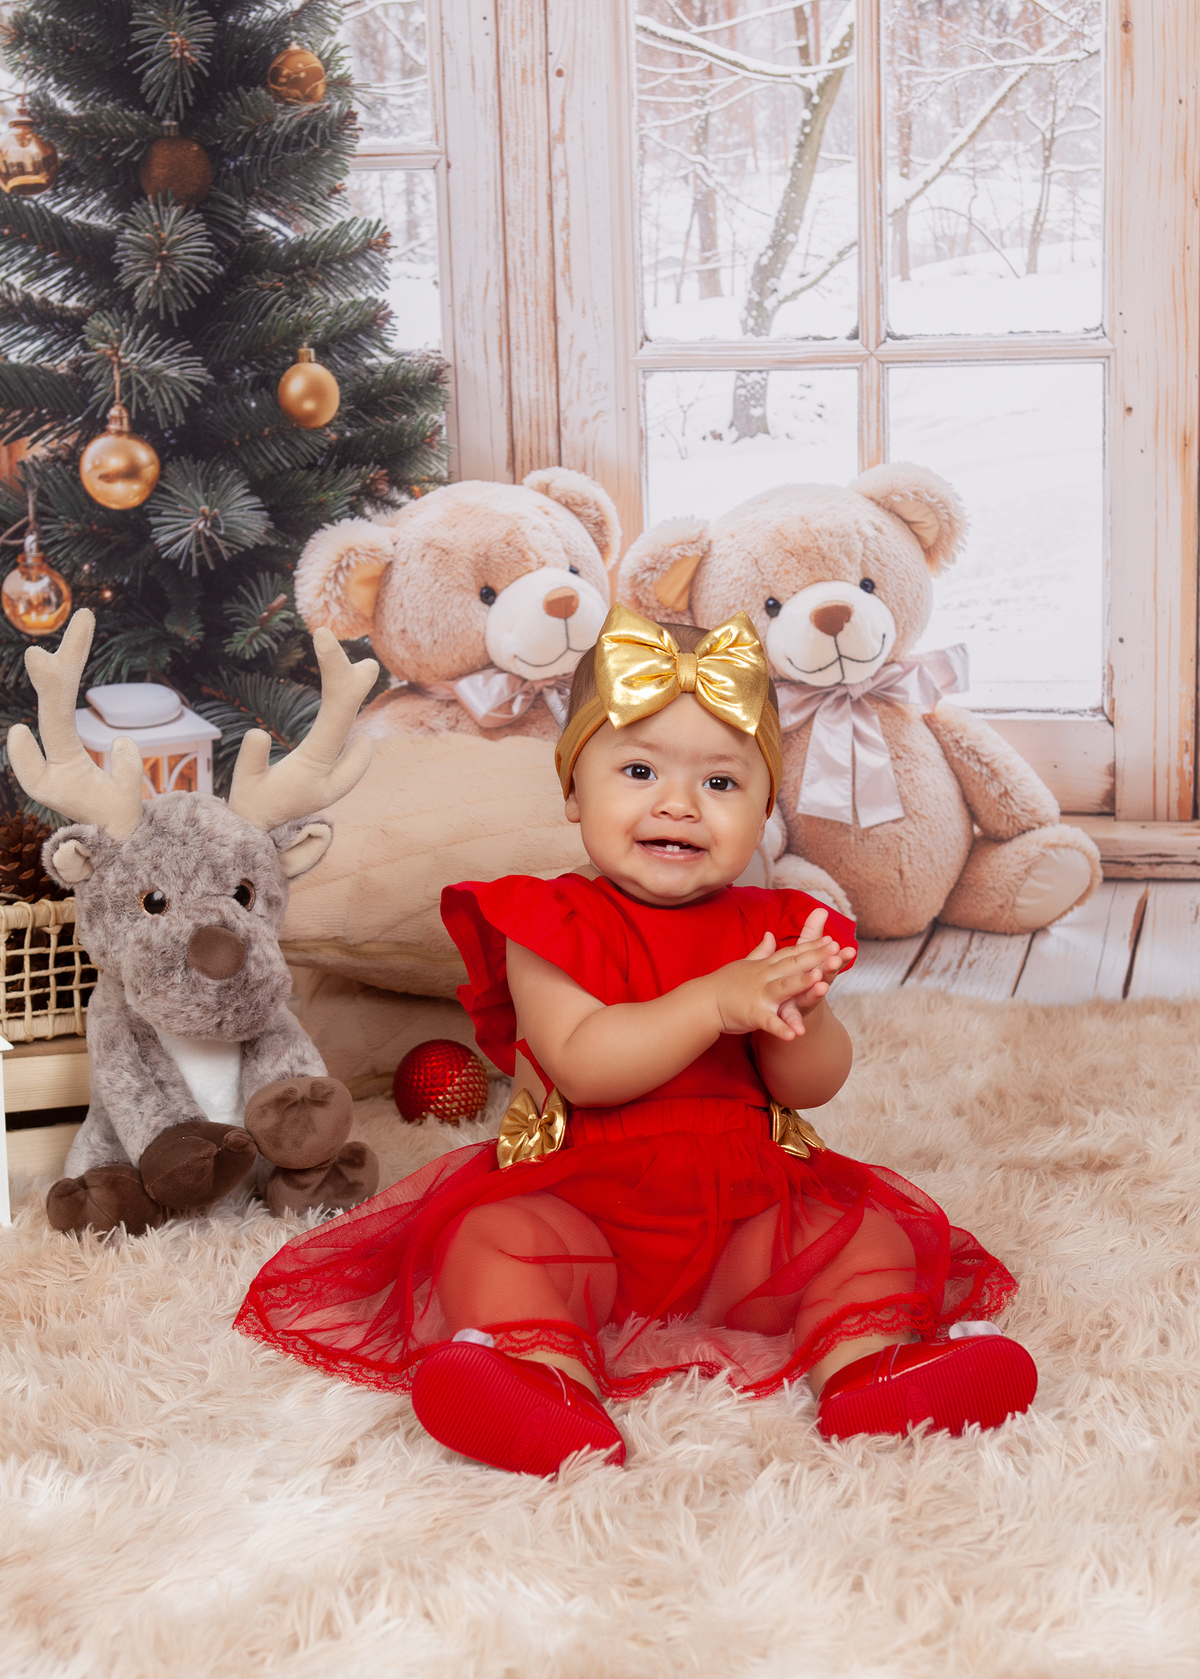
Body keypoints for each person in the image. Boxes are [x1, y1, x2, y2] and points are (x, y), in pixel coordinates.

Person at [235, 605, 1036, 1475]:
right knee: (491, 1239)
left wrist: (803, 1014)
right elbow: (584, 1065)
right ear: (573, 790)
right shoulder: (551, 920)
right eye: (640, 770)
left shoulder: (772, 926)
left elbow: (808, 1087)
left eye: (721, 782)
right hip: (583, 1212)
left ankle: (871, 1369)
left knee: (868, 1234)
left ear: (767, 806)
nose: (679, 804)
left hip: (745, 1220)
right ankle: (543, 1379)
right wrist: (715, 1003)